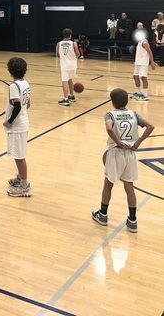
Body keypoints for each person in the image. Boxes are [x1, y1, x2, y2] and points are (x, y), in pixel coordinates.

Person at [92, 88, 154, 233]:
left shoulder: (110, 114)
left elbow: (109, 129)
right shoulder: (133, 114)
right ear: (126, 101)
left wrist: (118, 142)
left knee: (108, 184)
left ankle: (103, 214)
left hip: (116, 153)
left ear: (112, 103)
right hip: (130, 154)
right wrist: (138, 142)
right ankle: (132, 221)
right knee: (129, 185)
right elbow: (151, 126)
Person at [4, 57, 31, 197]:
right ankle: (20, 178)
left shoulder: (14, 86)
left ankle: (24, 186)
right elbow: (28, 104)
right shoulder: (25, 83)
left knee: (20, 156)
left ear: (10, 71)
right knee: (17, 154)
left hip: (18, 125)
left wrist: (9, 121)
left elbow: (18, 105)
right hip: (24, 121)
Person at [132, 25, 157, 101]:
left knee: (143, 77)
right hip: (138, 62)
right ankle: (138, 92)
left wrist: (152, 62)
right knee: (135, 77)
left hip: (143, 63)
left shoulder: (144, 42)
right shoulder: (139, 41)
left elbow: (150, 52)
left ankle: (145, 95)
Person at [56, 28, 79, 106]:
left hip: (65, 65)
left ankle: (66, 99)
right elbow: (78, 54)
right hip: (73, 65)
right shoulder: (74, 43)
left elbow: (58, 54)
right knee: (70, 79)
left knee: (64, 81)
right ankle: (71, 96)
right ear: (70, 35)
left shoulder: (59, 44)